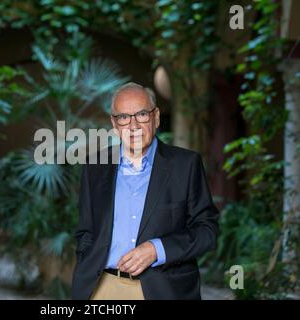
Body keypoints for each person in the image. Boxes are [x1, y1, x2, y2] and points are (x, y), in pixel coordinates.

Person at [71, 82, 219, 300]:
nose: (133, 126)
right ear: (114, 123)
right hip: (101, 288)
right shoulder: (95, 166)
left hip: (163, 291)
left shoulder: (185, 165)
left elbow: (207, 231)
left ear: (156, 117)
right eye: (123, 117)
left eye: (141, 114)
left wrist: (156, 250)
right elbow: (86, 231)